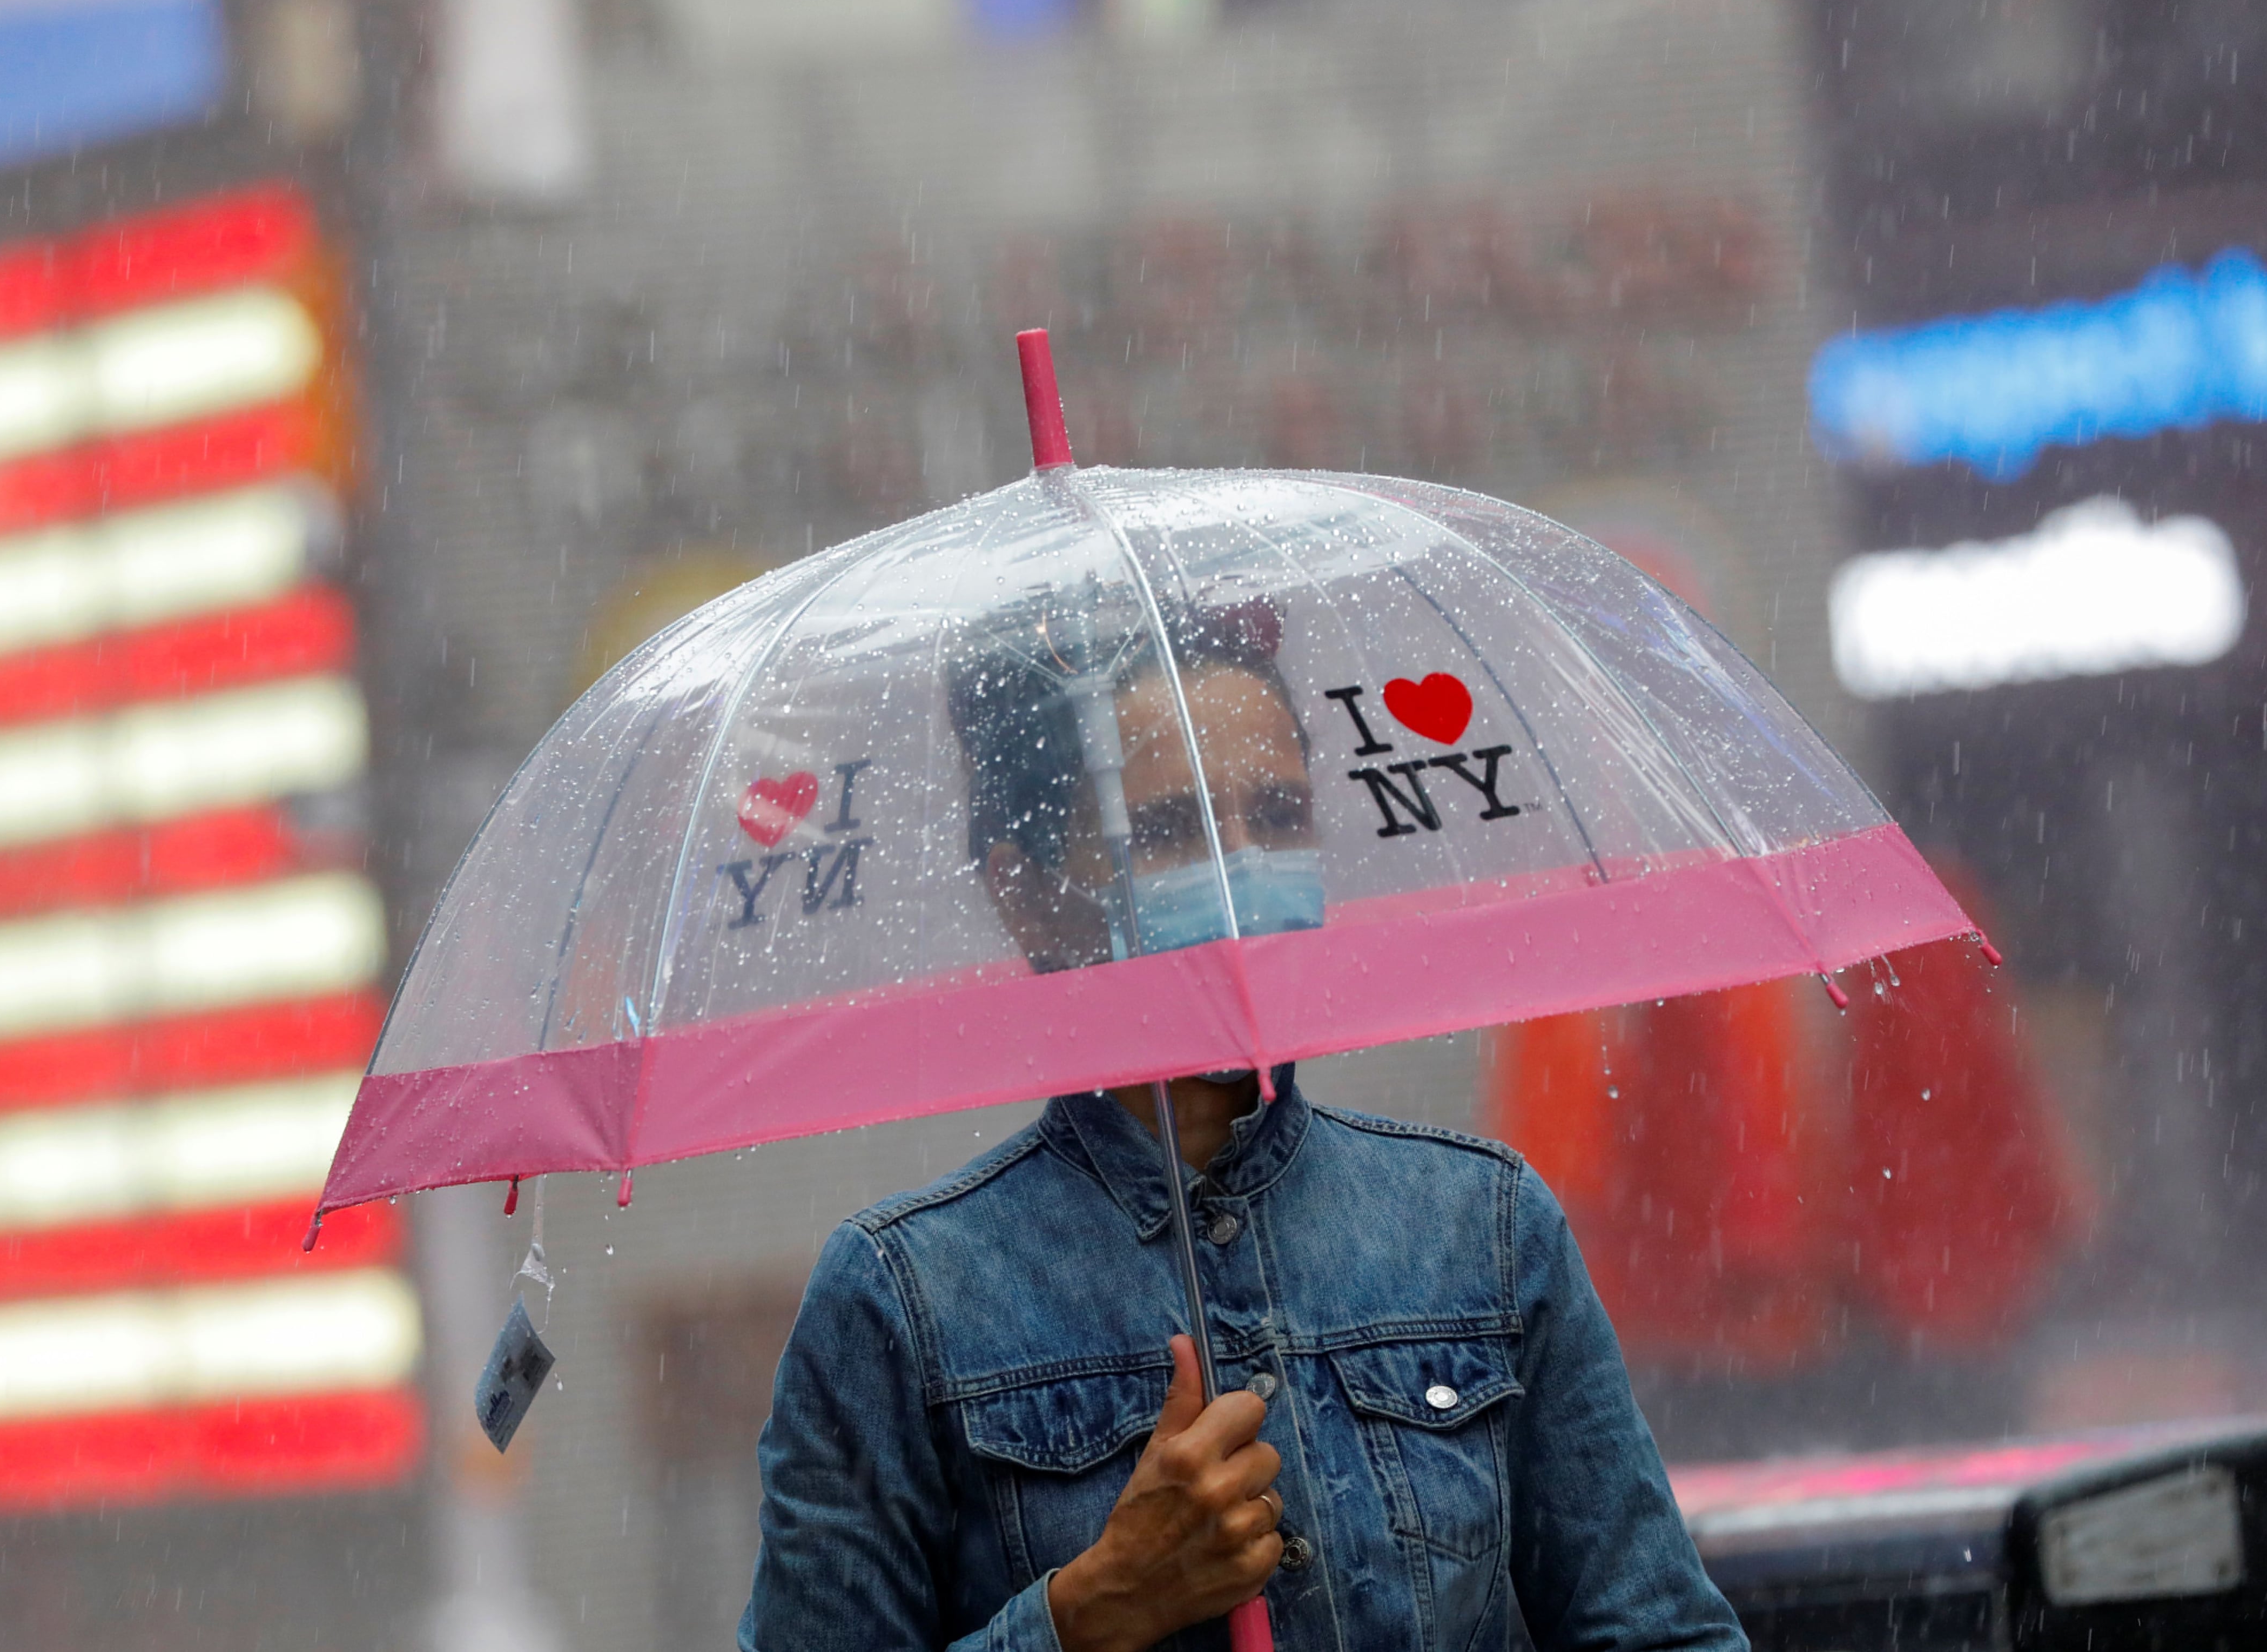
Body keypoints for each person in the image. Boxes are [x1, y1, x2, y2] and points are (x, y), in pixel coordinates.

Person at [739, 593, 1746, 1652]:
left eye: (1276, 816)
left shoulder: (1482, 1227)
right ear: (1027, 898)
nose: (1239, 874)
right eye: (1170, 829)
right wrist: (1087, 1610)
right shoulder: (902, 1302)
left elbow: (1661, 1633)